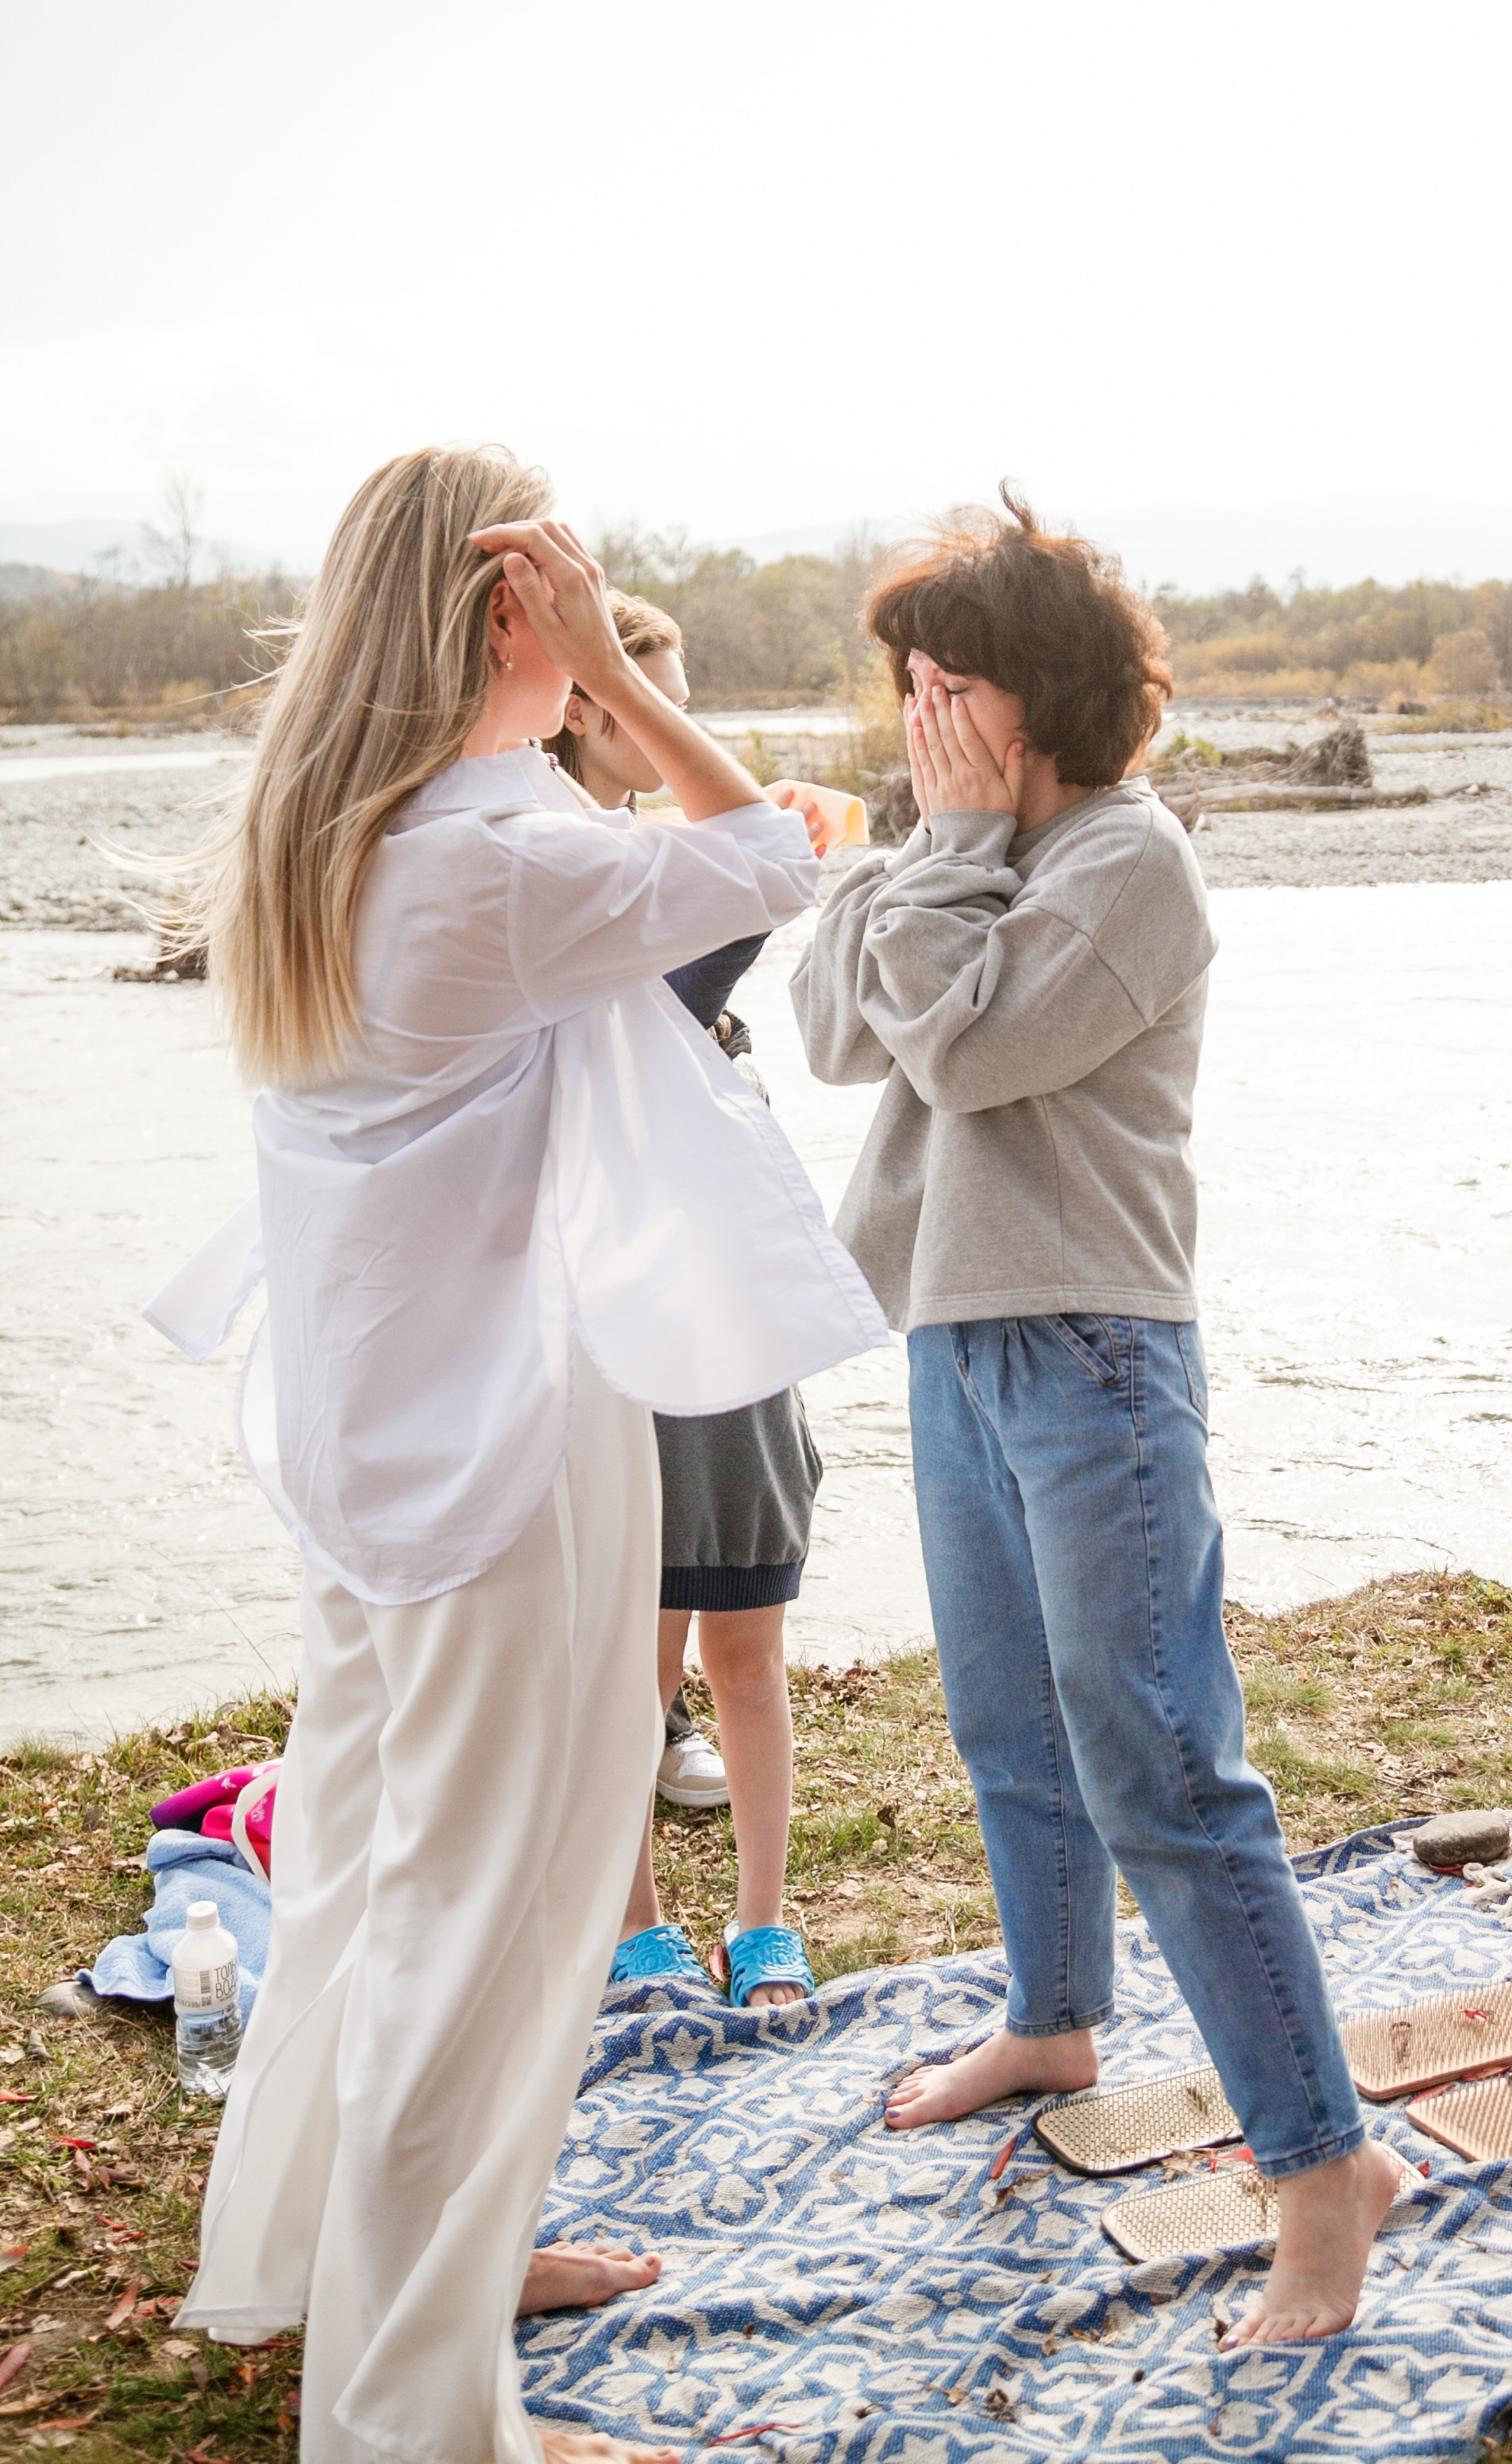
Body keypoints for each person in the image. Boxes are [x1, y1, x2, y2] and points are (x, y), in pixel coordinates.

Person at [148, 446, 885, 2464]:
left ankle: (342, 2269)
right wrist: (622, 679)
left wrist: (572, 671)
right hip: (504, 1449)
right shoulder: (492, 849)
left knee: (378, 1871)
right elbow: (765, 852)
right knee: (491, 1912)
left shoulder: (327, 832)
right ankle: (416, 2416)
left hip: (362, 1436)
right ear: (509, 612)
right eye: (561, 589)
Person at [791, 490, 1399, 2350]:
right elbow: (831, 1028)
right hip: (952, 1337)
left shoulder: (1130, 864)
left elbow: (963, 1053)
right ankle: (1054, 2018)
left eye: (944, 684)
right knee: (1004, 1720)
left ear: (1030, 700)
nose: (916, 720)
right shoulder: (951, 843)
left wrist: (947, 845)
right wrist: (918, 848)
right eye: (902, 686)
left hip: (1095, 1358)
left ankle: (1320, 2173)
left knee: (1162, 1773)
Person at [549, 593, 820, 2009]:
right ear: (592, 707)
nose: (684, 730)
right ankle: (640, 1919)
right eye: (661, 699)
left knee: (748, 1636)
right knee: (637, 1655)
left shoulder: (657, 859)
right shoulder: (564, 872)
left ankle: (765, 1916)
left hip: (735, 1316)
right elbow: (663, 1006)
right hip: (631, 1326)